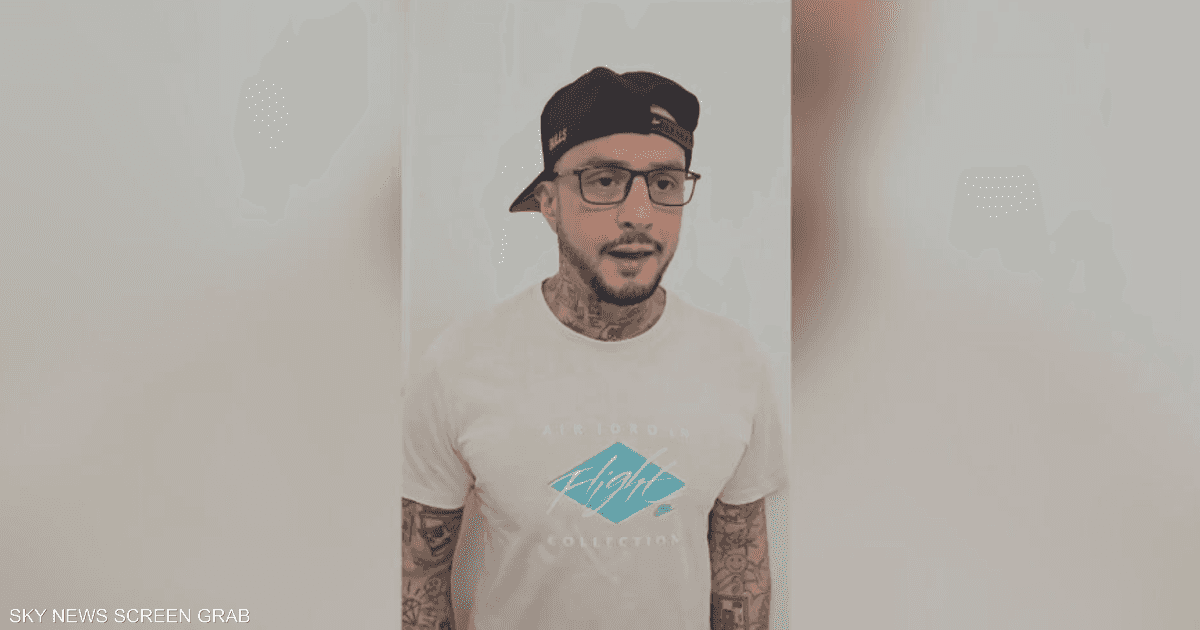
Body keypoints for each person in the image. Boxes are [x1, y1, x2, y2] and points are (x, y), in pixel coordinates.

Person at [402, 66, 788, 630]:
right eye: (605, 181)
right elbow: (418, 584)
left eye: (664, 183)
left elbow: (740, 573)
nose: (639, 214)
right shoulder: (459, 365)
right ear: (548, 202)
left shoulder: (736, 365)